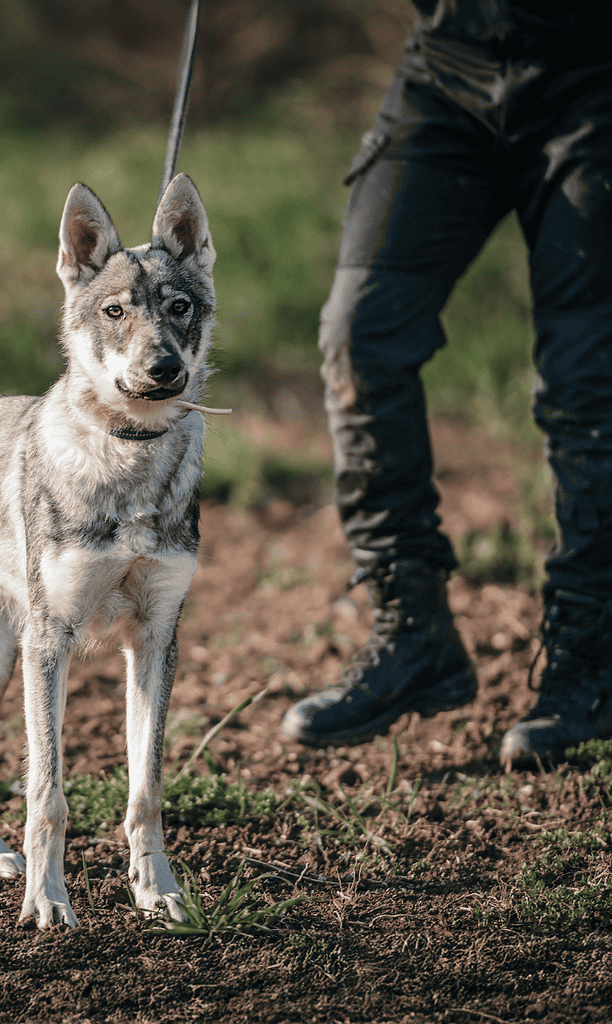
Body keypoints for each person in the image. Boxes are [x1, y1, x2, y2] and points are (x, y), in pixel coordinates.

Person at [280, 1, 612, 767]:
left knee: (588, 382)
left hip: (596, 81)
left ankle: (590, 660)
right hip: (448, 72)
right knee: (358, 337)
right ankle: (412, 631)